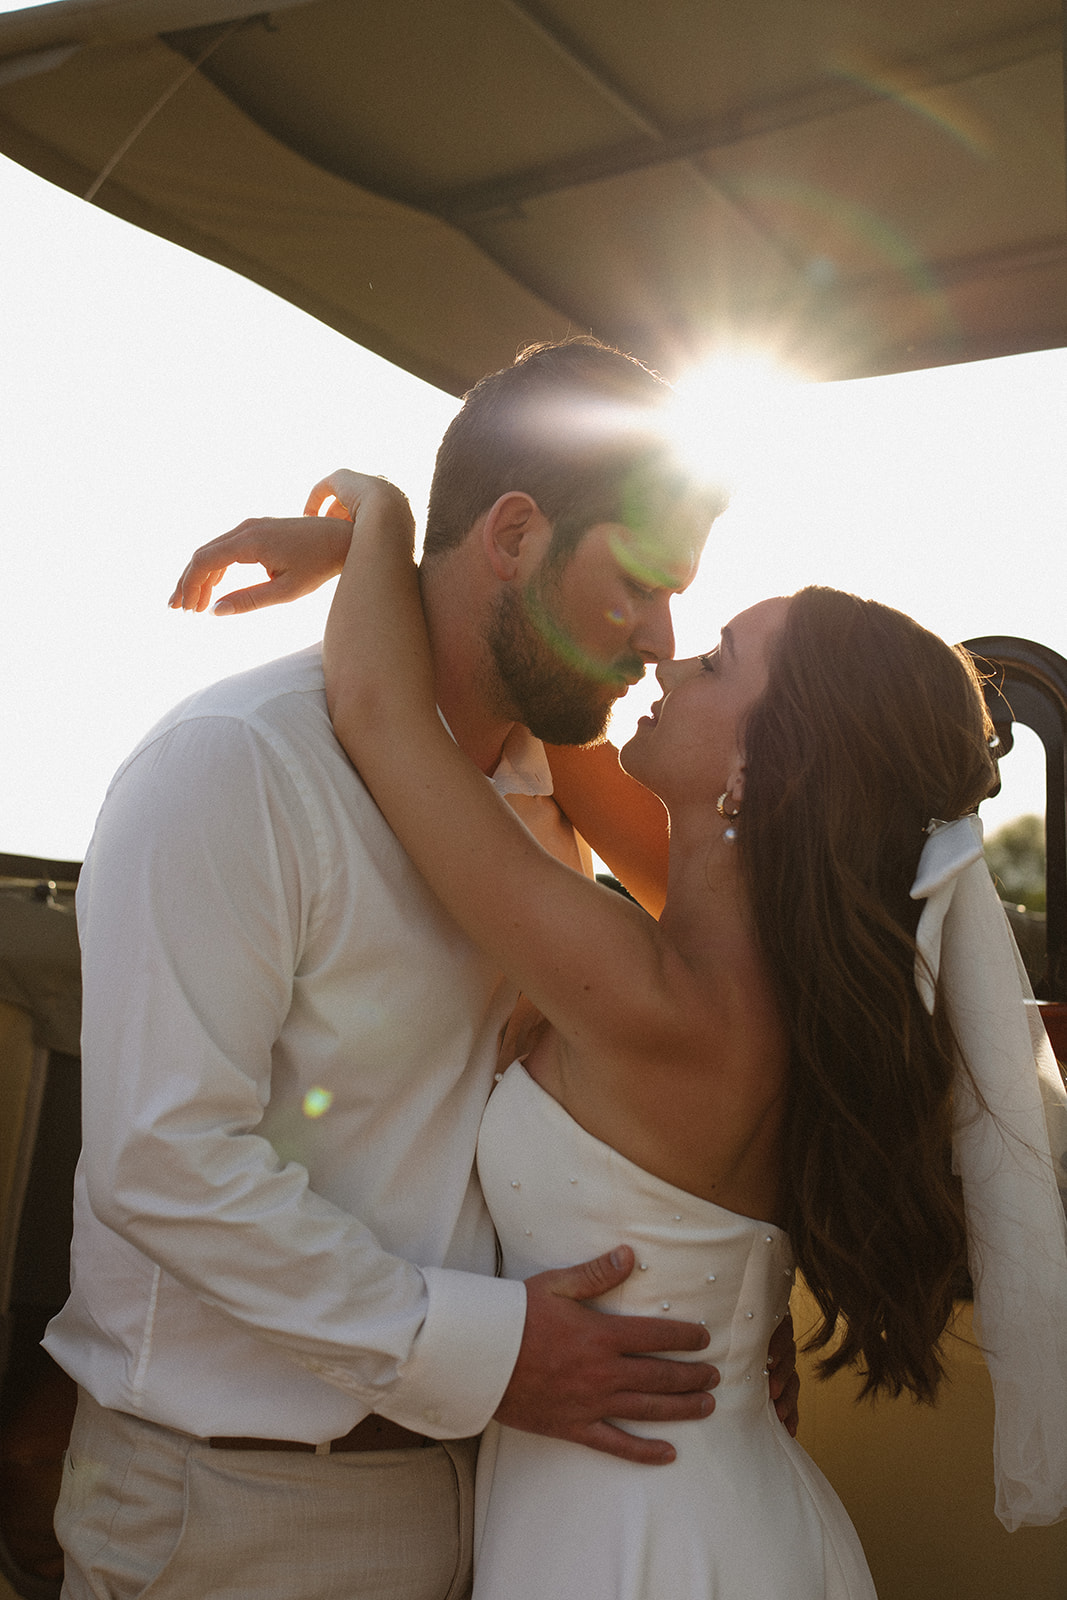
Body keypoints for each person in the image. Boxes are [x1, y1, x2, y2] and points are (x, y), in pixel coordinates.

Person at [49, 339, 799, 1600]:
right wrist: (489, 1353)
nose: (660, 638)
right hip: (240, 1506)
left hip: (501, 1490)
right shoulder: (233, 767)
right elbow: (160, 1157)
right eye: (637, 584)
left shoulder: (545, 795)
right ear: (512, 532)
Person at [251, 468, 1067, 1597]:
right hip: (714, 1492)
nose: (668, 658)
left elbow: (380, 716)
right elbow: (580, 736)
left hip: (631, 1533)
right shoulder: (769, 968)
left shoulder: (654, 996)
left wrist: (379, 515)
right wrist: (554, 595)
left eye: (717, 659)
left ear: (757, 774)